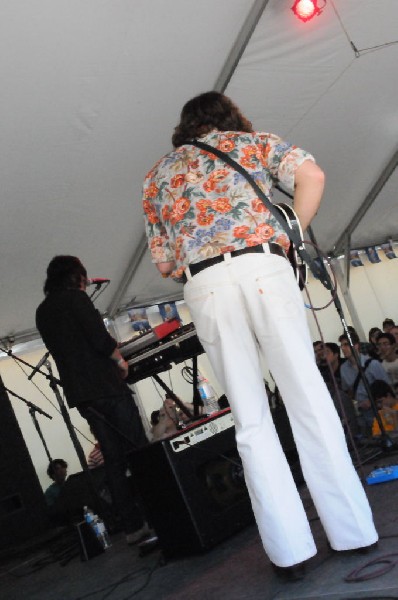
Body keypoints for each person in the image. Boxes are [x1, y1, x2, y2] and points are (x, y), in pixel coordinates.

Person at [142, 91, 378, 580]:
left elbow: (166, 265)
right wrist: (290, 236)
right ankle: (352, 531)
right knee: (307, 398)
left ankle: (289, 553)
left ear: (184, 127)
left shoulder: (158, 174)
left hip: (206, 285)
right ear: (230, 117)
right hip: (265, 268)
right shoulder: (253, 144)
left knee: (250, 418)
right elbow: (312, 176)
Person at [36, 256, 150, 545]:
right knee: (139, 450)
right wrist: (120, 360)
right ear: (77, 276)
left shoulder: (42, 312)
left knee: (112, 460)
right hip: (106, 387)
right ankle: (160, 510)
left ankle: (132, 527)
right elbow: (99, 339)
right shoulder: (76, 299)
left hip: (82, 396)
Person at [339, 331, 390, 436]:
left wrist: (371, 401)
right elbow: (349, 391)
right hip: (362, 415)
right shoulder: (343, 369)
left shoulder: (373, 364)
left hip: (380, 411)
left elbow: (387, 388)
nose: (343, 348)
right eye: (341, 345)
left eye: (346, 344)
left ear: (356, 345)